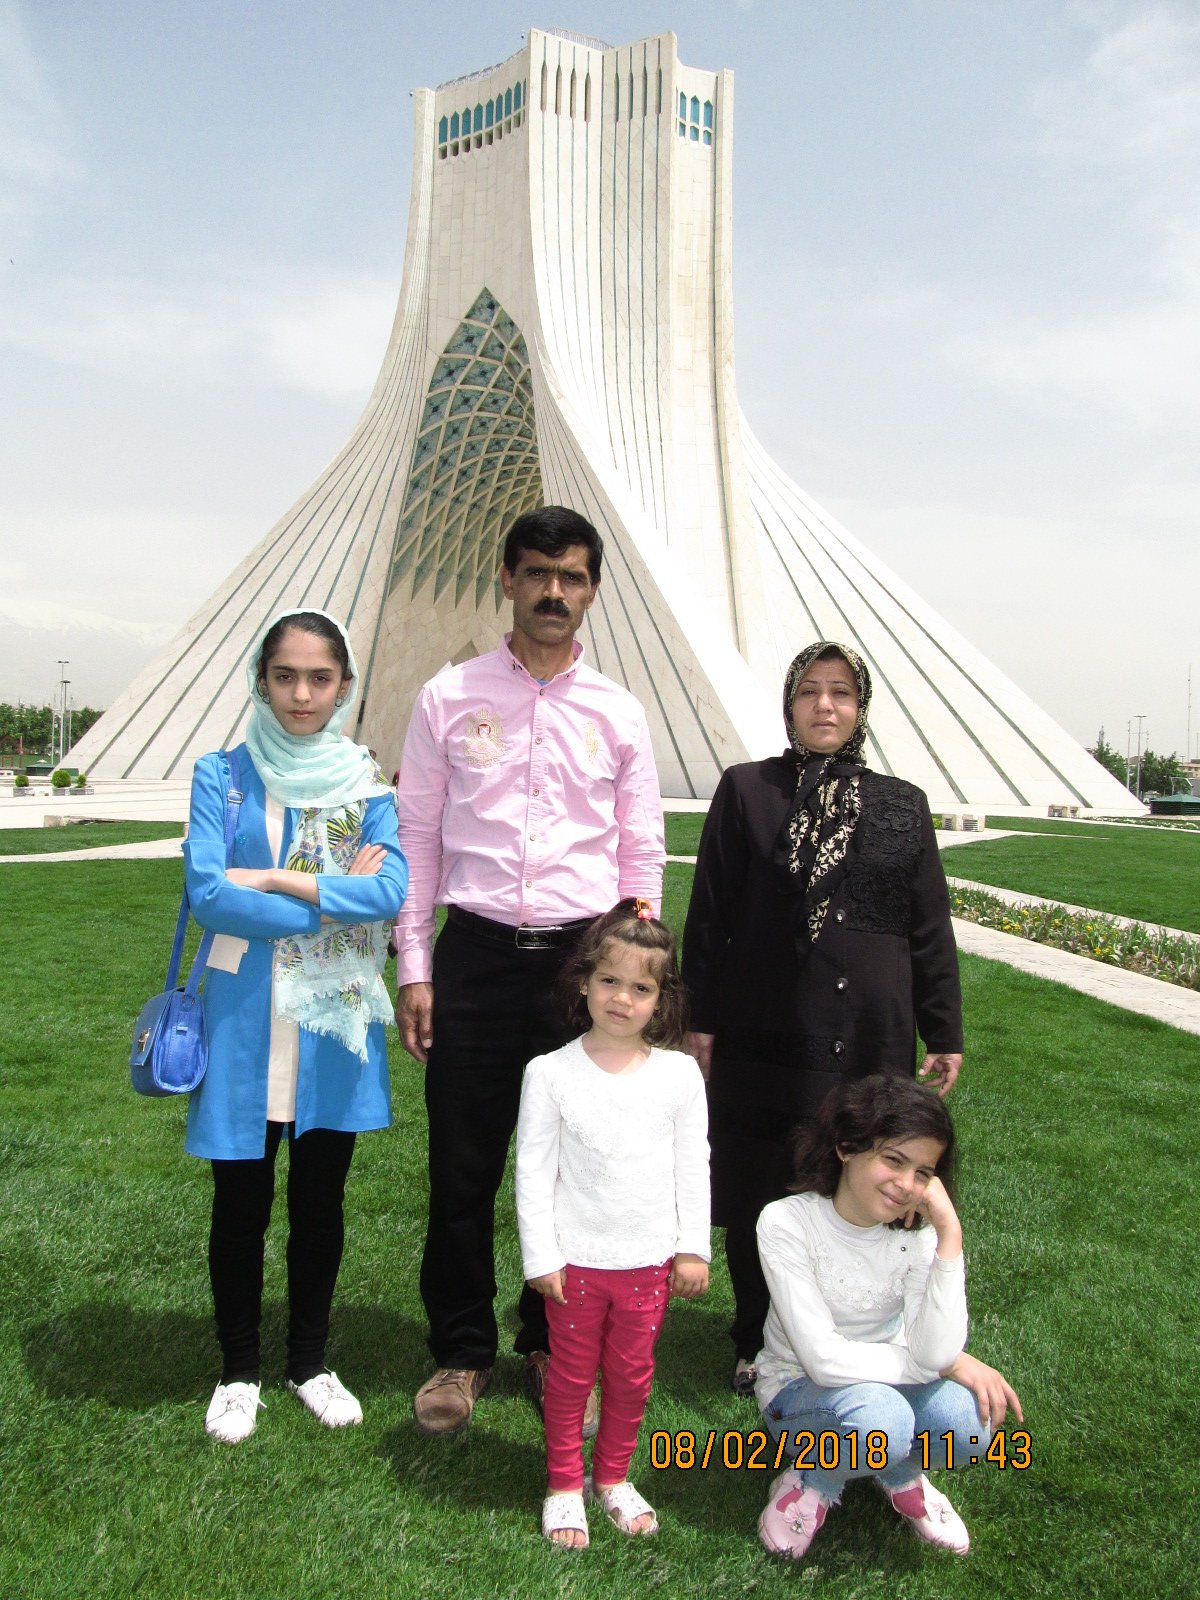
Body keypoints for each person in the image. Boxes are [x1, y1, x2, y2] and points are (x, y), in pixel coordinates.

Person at [393, 505, 665, 1436]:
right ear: (506, 578)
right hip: (471, 954)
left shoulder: (619, 710)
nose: (556, 592)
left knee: (580, 1169)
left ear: (591, 591)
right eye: (540, 573)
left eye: (574, 576)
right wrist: (416, 967)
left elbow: (641, 851)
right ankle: (461, 1352)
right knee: (464, 1168)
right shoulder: (448, 696)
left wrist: (629, 973)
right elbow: (418, 843)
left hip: (579, 966)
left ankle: (556, 1347)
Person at [681, 641, 963, 1397]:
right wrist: (699, 1019)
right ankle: (756, 1334)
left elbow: (928, 923)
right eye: (810, 692)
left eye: (841, 693)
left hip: (871, 1026)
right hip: (765, 1020)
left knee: (867, 1170)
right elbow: (710, 916)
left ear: (861, 706)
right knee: (761, 1179)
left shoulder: (902, 804)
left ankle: (860, 1327)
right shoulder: (748, 790)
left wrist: (946, 1029)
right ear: (789, 704)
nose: (826, 706)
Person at [183, 608, 408, 1444]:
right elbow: (208, 893)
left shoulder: (366, 784)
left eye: (320, 678)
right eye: (286, 676)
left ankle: (309, 1361)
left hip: (331, 1024)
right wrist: (330, 901)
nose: (302, 694)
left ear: (344, 685)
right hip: (245, 1018)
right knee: (239, 1201)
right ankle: (238, 1369)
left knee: (321, 1200)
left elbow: (388, 896)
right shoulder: (223, 775)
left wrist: (277, 882)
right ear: (261, 679)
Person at [754, 1074, 1022, 1559]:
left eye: (923, 1172)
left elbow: (936, 1350)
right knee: (882, 1419)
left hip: (887, 1390)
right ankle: (812, 1479)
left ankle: (897, 1470)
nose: (906, 1185)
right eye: (893, 1160)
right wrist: (940, 1365)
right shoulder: (787, 1222)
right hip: (797, 1391)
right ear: (847, 1147)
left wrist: (949, 1235)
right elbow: (823, 1361)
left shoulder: (916, 1235)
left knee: (970, 1425)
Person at [515, 901, 710, 1547]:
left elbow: (693, 1167)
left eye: (641, 988)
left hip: (650, 1265)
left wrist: (692, 1249)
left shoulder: (680, 1075)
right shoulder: (549, 1073)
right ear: (583, 982)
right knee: (570, 1378)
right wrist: (541, 1256)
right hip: (574, 1268)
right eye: (609, 981)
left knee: (630, 1376)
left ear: (663, 999)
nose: (622, 999)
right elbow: (534, 1173)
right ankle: (565, 1485)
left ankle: (614, 1478)